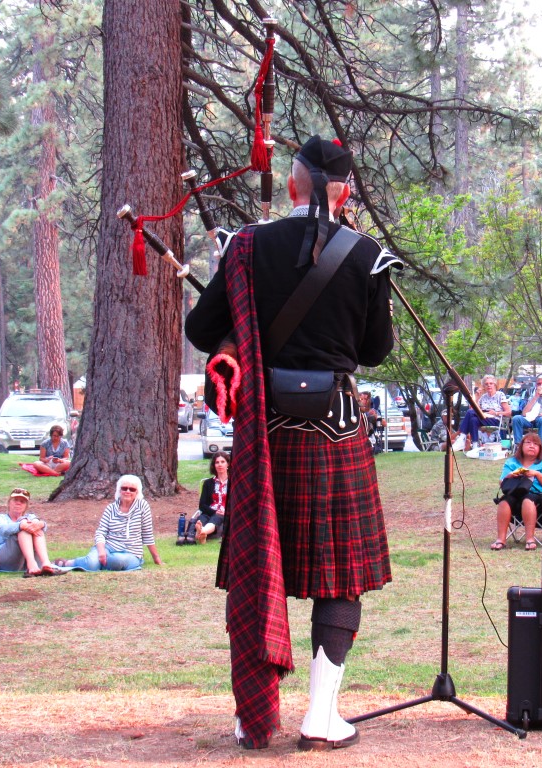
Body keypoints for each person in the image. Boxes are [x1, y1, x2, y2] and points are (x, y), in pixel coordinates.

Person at [185, 135, 398, 751]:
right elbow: (373, 352)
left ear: (292, 184)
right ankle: (320, 716)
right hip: (336, 429)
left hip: (265, 436)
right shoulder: (366, 254)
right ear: (345, 192)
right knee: (338, 578)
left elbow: (202, 329)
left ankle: (251, 714)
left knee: (263, 572)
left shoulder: (247, 246)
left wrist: (243, 323)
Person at [55, 475, 162, 571]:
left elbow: (147, 534)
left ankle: (97, 563)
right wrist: (101, 551)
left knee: (117, 560)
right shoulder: (110, 508)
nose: (127, 491)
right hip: (108, 547)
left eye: (132, 489)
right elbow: (100, 532)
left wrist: (156, 558)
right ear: (119, 490)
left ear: (137, 492)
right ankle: (69, 563)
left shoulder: (143, 507)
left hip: (131, 552)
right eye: (124, 488)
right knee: (92, 564)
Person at [492, 433, 542, 551]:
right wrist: (512, 475)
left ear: (540, 448)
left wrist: (536, 474)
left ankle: (530, 539)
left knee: (528, 499)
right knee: (504, 501)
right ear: (521, 446)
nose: (532, 446)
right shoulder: (511, 462)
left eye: (536, 444)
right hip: (515, 493)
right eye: (528, 443)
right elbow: (502, 483)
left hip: (538, 496)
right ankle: (501, 539)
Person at [0, 487, 63, 577]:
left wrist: (41, 524)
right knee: (23, 530)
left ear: (26, 506)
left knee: (36, 526)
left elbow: (40, 524)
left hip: (25, 561)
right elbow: (4, 529)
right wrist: (21, 525)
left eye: (22, 501)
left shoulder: (31, 516)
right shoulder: (1, 518)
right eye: (15, 500)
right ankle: (32, 564)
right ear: (9, 503)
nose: (18, 503)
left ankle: (46, 563)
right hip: (7, 560)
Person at [458, 375, 511, 452]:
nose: (489, 385)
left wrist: (495, 413)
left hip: (495, 419)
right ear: (484, 386)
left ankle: (462, 437)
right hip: (483, 418)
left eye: (491, 383)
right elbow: (471, 410)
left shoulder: (500, 395)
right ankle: (475, 447)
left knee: (471, 413)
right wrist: (476, 396)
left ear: (494, 384)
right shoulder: (483, 397)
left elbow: (509, 412)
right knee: (473, 419)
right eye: (486, 384)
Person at [192, 452, 229, 544]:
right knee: (202, 518)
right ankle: (201, 533)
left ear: (228, 464)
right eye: (217, 462)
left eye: (222, 462)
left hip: (224, 513)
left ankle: (202, 532)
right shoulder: (208, 483)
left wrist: (226, 511)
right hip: (210, 511)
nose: (220, 464)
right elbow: (202, 505)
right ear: (214, 465)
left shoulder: (234, 483)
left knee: (217, 517)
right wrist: (214, 511)